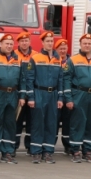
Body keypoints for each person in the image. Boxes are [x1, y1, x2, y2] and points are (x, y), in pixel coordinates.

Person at [64, 33, 91, 163]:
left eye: (89, 43)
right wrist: (69, 98)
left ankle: (88, 150)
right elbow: (66, 79)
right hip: (79, 94)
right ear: (81, 44)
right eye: (85, 43)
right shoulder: (73, 60)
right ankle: (75, 150)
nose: (87, 45)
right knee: (78, 123)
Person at [0, 34, 26, 164]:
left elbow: (22, 80)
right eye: (6, 43)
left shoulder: (18, 59)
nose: (8, 46)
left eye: (10, 44)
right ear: (0, 45)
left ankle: (7, 152)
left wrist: (22, 96)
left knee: (10, 123)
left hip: (13, 94)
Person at [24, 32, 64, 163]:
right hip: (39, 93)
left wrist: (60, 98)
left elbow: (61, 80)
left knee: (51, 124)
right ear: (42, 43)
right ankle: (36, 152)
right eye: (47, 41)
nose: (50, 43)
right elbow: (29, 79)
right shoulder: (35, 58)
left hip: (53, 95)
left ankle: (48, 152)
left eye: (52, 41)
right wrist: (31, 97)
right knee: (38, 123)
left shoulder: (58, 59)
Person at [14, 32, 34, 155]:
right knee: (17, 122)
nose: (24, 43)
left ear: (30, 42)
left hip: (32, 94)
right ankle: (14, 147)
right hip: (18, 94)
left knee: (32, 122)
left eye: (26, 40)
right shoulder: (14, 55)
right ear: (19, 43)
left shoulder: (35, 55)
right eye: (22, 41)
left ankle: (30, 146)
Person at [55, 38, 73, 153]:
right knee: (54, 121)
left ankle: (68, 145)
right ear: (56, 49)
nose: (62, 51)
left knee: (68, 122)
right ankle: (51, 144)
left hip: (68, 97)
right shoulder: (53, 60)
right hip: (55, 97)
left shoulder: (72, 62)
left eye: (64, 48)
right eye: (60, 49)